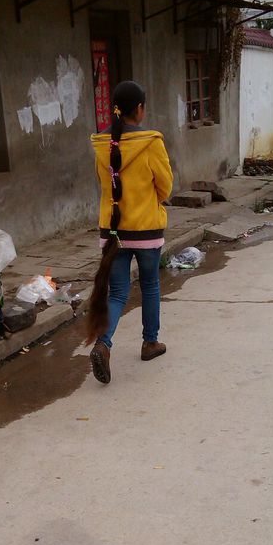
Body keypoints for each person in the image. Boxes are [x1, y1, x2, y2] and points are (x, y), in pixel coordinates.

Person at [86, 80, 173, 384]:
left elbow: (106, 184)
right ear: (139, 109)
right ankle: (150, 343)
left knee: (119, 292)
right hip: (146, 228)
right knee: (149, 285)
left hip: (113, 229)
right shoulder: (152, 142)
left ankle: (103, 343)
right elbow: (165, 186)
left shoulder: (101, 144)